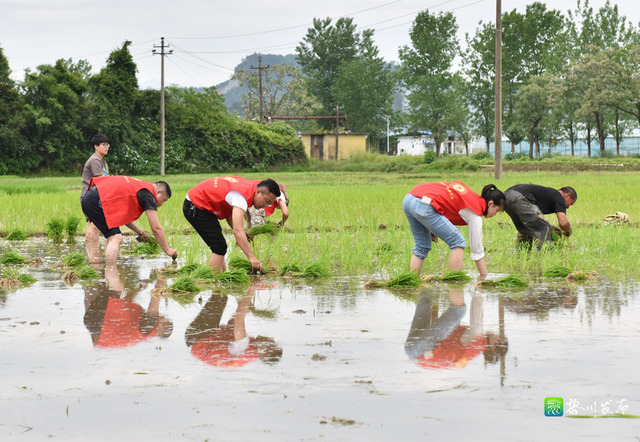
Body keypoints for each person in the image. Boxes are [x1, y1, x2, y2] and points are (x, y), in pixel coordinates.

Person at [402, 181, 505, 279]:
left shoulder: (470, 197)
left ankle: (413, 281)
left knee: (422, 246)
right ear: (490, 204)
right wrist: (484, 276)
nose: (495, 214)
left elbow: (445, 202)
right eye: (497, 210)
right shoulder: (475, 212)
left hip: (410, 198)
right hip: (424, 204)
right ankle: (454, 282)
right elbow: (477, 249)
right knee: (458, 242)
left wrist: (432, 228)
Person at [183, 176, 281, 273]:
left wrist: (243, 232)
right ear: (258, 192)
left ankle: (223, 275)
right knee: (218, 246)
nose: (265, 206)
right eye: (267, 202)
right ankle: (213, 280)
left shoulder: (250, 188)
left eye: (269, 204)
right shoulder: (241, 198)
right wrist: (252, 258)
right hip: (195, 205)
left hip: (202, 204)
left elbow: (230, 214)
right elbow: (237, 231)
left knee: (220, 245)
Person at [81, 175, 178, 267]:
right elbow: (156, 228)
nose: (161, 204)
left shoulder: (141, 188)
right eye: (163, 200)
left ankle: (108, 269)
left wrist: (139, 231)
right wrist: (167, 250)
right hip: (96, 200)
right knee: (116, 238)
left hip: (92, 197)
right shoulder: (148, 195)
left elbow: (123, 218)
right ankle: (111, 270)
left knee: (112, 237)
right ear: (159, 192)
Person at [405, 287, 508, 369]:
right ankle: (423, 279)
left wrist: (479, 291)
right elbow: (438, 327)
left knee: (459, 310)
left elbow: (477, 313)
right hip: (412, 353)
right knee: (425, 301)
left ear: (493, 346)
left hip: (424, 349)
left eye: (498, 338)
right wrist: (435, 301)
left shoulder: (478, 342)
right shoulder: (468, 354)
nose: (497, 334)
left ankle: (454, 277)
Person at [185, 281, 283, 367]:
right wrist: (244, 305)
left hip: (197, 338)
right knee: (221, 297)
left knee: (220, 296)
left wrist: (251, 289)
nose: (271, 338)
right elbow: (232, 326)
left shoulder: (243, 347)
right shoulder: (249, 351)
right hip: (202, 339)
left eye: (272, 342)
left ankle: (213, 276)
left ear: (264, 350)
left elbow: (239, 317)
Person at [83, 264, 173, 348]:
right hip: (94, 326)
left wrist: (165, 274)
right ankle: (89, 268)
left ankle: (108, 263)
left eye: (164, 319)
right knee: (99, 282)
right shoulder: (140, 335)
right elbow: (124, 304)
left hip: (103, 321)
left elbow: (156, 296)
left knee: (117, 286)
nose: (161, 316)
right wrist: (138, 290)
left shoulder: (150, 326)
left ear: (162, 327)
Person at [504, 184, 577, 249]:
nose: (568, 207)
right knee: (544, 228)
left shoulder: (549, 195)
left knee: (526, 230)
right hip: (518, 197)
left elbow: (535, 220)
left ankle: (522, 256)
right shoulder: (559, 197)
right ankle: (545, 255)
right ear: (567, 195)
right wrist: (568, 231)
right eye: (571, 204)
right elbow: (563, 223)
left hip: (506, 198)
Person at [81, 134, 110, 264]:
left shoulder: (104, 163)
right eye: (103, 145)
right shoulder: (95, 160)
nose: (106, 147)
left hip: (98, 198)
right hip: (90, 198)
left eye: (107, 145)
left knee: (96, 226)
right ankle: (94, 258)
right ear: (96, 146)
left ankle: (95, 256)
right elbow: (101, 180)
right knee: (93, 225)